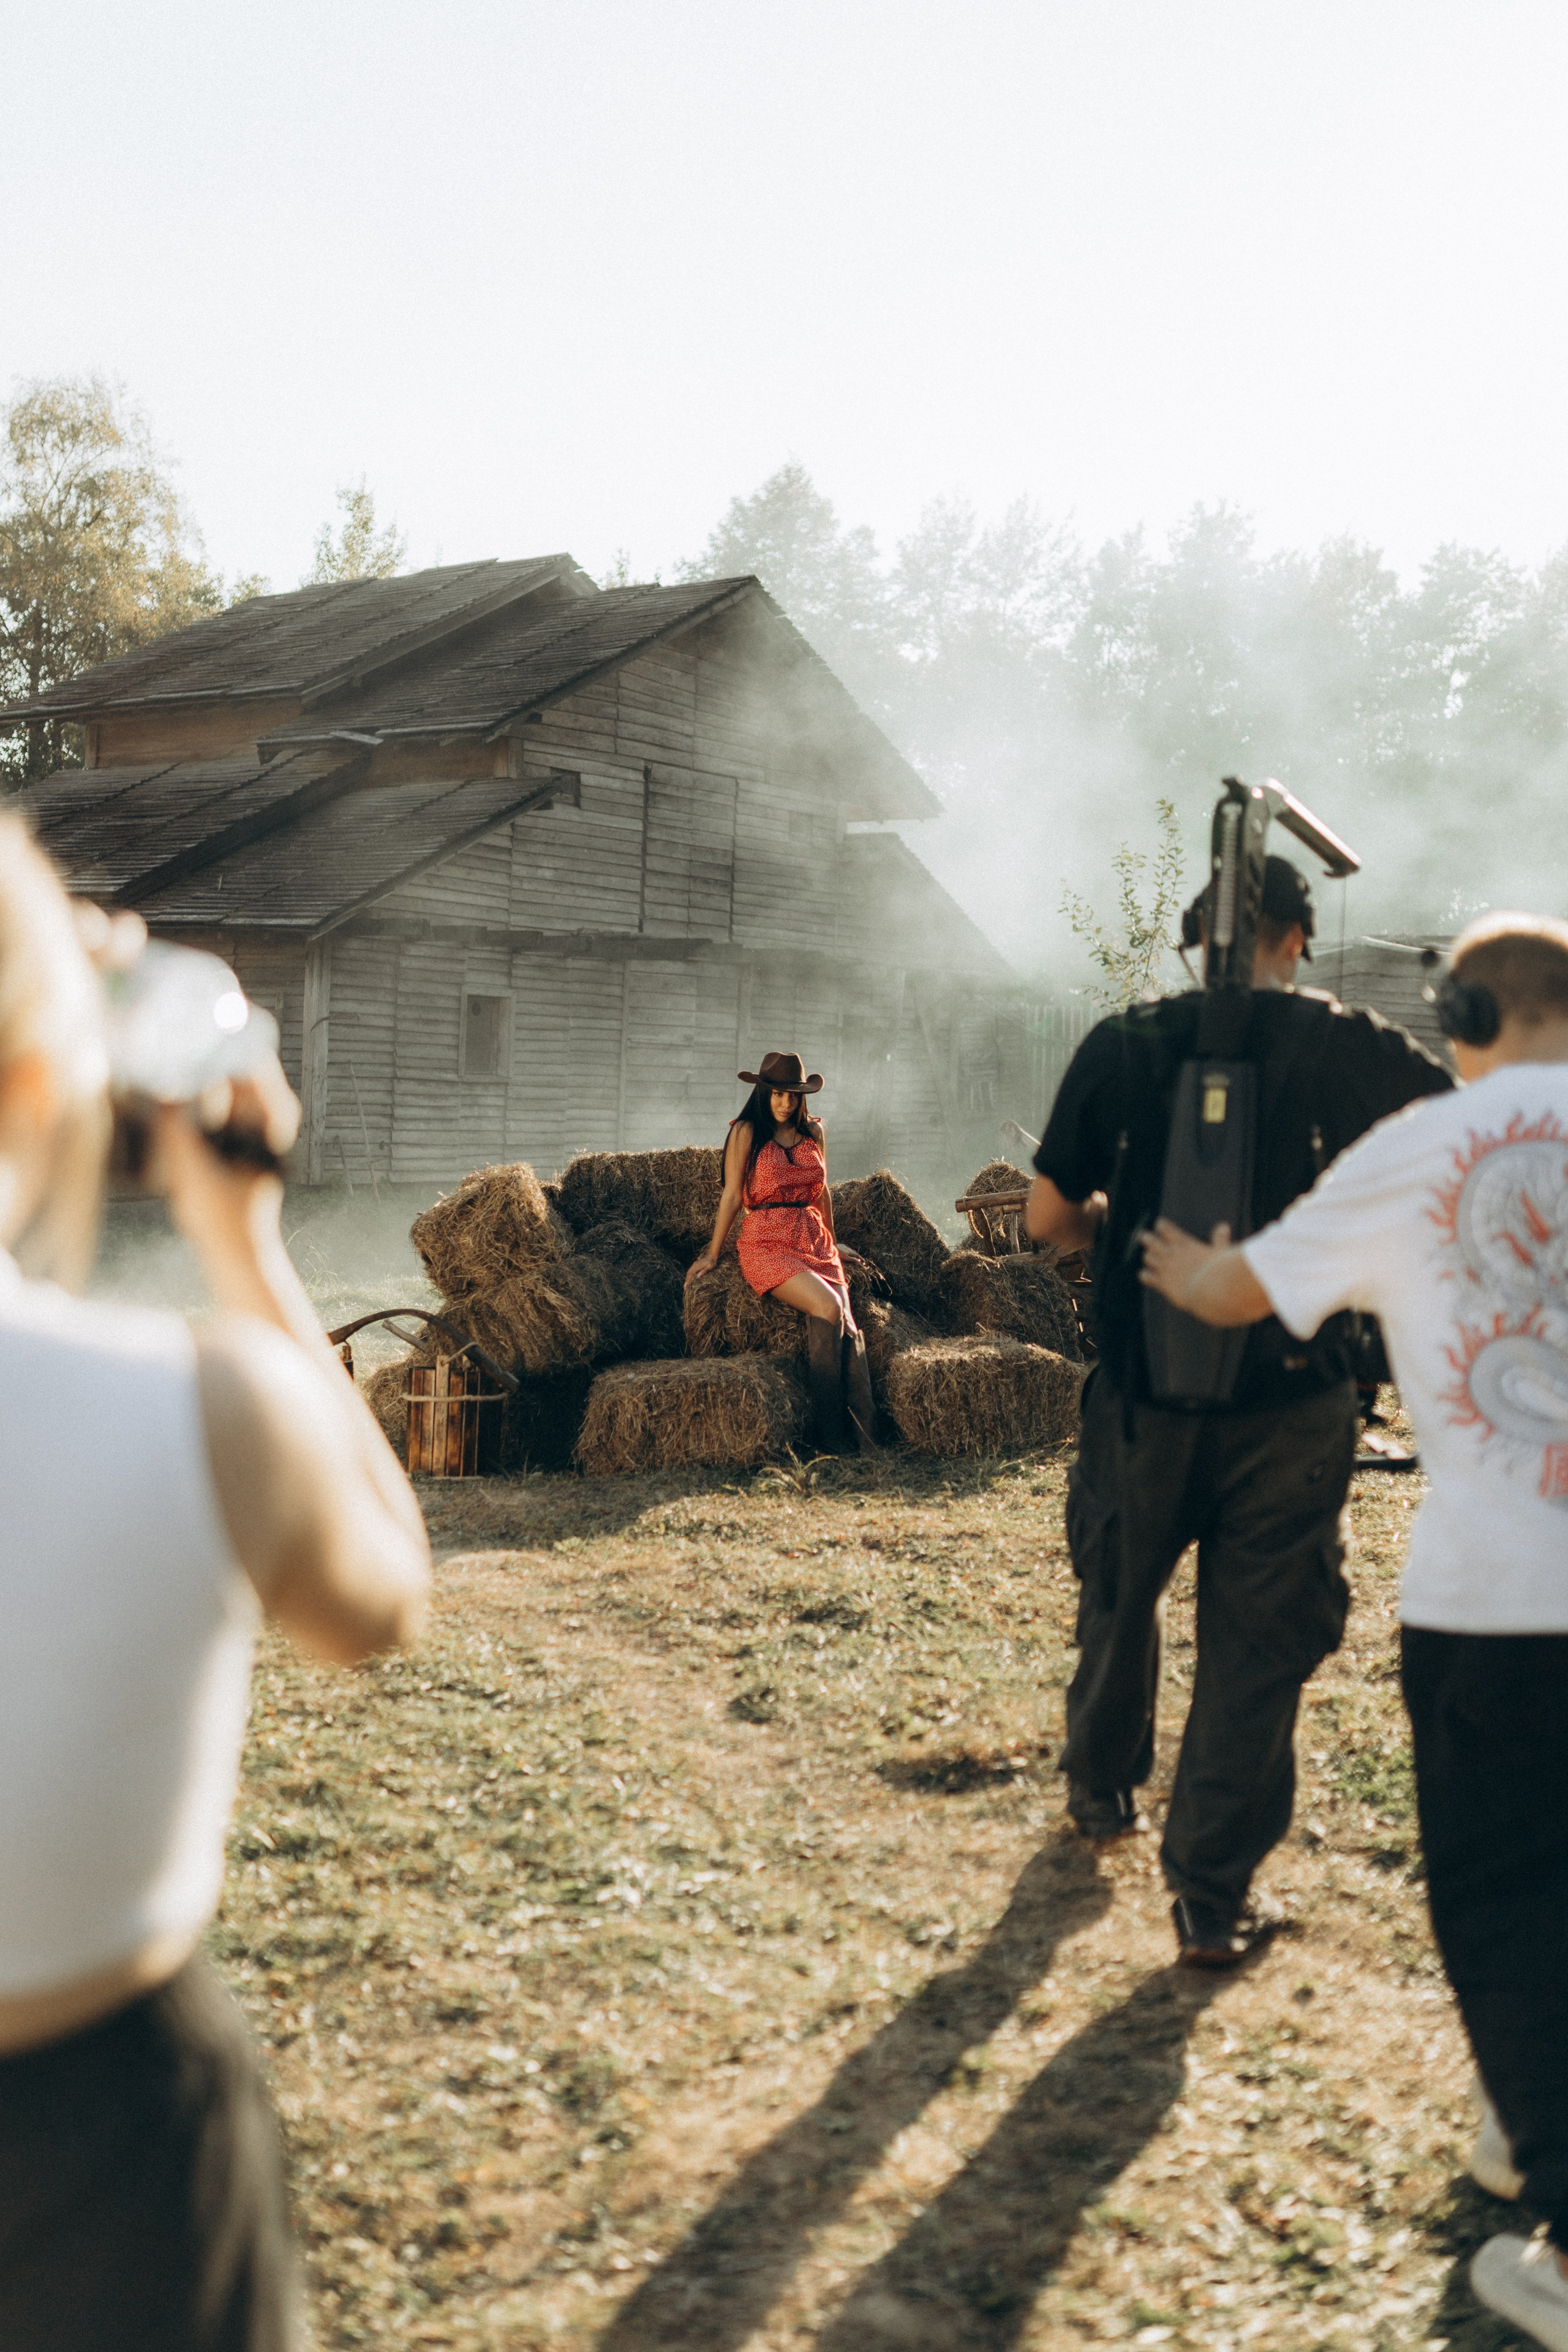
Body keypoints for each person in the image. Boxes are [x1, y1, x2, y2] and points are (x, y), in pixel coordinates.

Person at [0, 816, 431, 2351]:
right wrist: (244, 1245)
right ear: (50, 1083)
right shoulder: (202, 1404)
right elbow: (384, 1600)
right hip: (113, 2164)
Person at [1139, 912, 1568, 2348]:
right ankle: (1523, 2131)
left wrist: (1172, 1241)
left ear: (1460, 1010)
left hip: (1497, 1599)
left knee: (1504, 1904)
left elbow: (1232, 1290)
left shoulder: (1415, 1150)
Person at [1025, 853, 1453, 1966]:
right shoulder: (1352, 1046)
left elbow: (1045, 1221)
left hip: (1140, 1396)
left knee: (1121, 1593)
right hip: (1299, 1401)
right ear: (1296, 939)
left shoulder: (1122, 1041)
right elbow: (1454, 1170)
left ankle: (1102, 1793)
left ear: (1193, 940)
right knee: (1260, 1645)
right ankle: (1209, 1900)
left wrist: (1128, 1215)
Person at [687, 1048, 875, 1451]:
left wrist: (834, 1240)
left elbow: (821, 1191)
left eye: (793, 1095)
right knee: (829, 1309)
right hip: (767, 1241)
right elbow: (732, 1196)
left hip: (813, 1238)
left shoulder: (814, 1134)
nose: (785, 1103)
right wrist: (713, 1253)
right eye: (777, 1094)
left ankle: (869, 1442)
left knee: (849, 1325)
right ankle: (833, 1440)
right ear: (763, 1093)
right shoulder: (746, 1133)